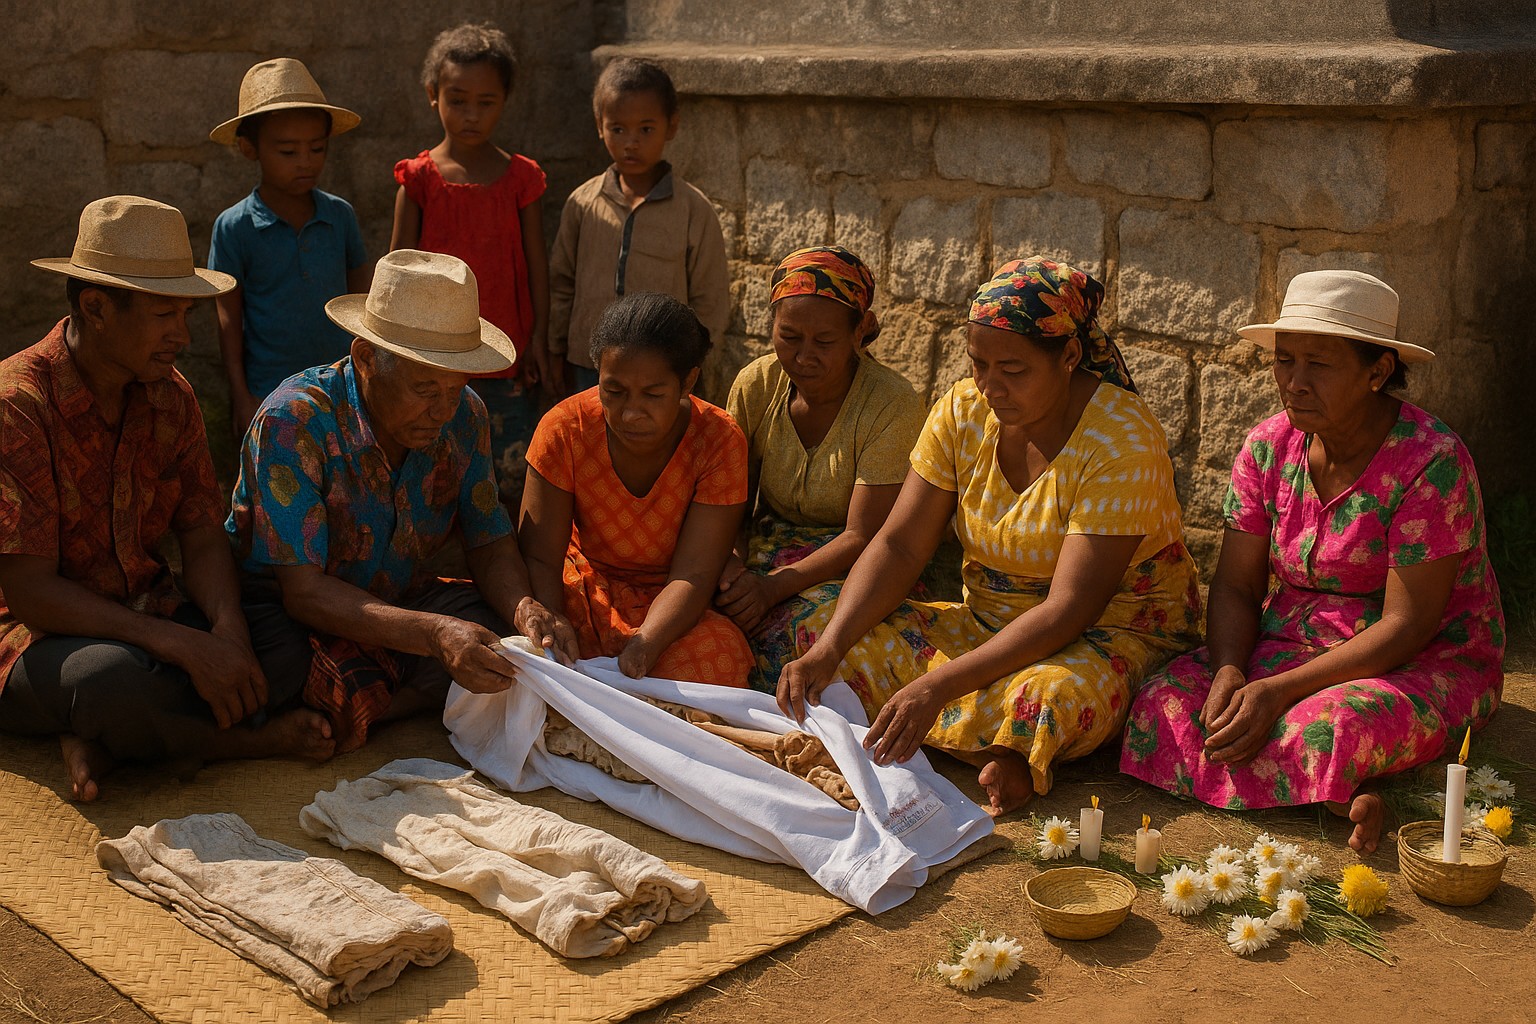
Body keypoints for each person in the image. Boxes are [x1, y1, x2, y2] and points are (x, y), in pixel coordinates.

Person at [778, 257, 1203, 817]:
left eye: (1013, 370)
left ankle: (1008, 747)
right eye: (978, 364)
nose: (989, 385)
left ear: (1069, 357)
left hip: (1105, 631)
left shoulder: (1121, 438)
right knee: (814, 623)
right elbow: (900, 544)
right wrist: (830, 648)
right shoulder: (964, 410)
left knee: (1049, 697)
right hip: (985, 625)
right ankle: (999, 746)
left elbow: (1070, 607)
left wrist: (938, 686)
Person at [1120, 270, 1505, 854]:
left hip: (1418, 657)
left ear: (1377, 372)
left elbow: (1409, 624)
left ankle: (1351, 785)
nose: (1294, 383)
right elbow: (1236, 586)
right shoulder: (1268, 447)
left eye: (1318, 365)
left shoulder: (1433, 462)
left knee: (1337, 726)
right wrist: (1230, 668)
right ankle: (1330, 791)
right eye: (1284, 361)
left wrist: (1278, 691)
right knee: (1163, 702)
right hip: (1289, 641)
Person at [0, 196, 335, 802]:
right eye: (164, 316)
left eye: (185, 314)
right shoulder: (18, 404)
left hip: (147, 612)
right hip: (34, 638)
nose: (182, 335)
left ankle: (110, 741)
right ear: (97, 308)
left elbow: (203, 534)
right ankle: (236, 741)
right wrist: (182, 645)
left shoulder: (171, 395)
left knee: (282, 648)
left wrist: (226, 629)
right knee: (108, 682)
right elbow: (30, 593)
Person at [228, 250, 574, 754]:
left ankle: (372, 704)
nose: (443, 409)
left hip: (395, 602)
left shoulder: (465, 417)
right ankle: (393, 694)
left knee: (511, 645)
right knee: (277, 665)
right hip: (289, 609)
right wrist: (434, 636)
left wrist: (525, 608)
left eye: (456, 389)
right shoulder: (294, 419)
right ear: (366, 358)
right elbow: (302, 593)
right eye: (425, 389)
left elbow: (489, 537)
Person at [717, 246, 926, 692]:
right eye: (789, 336)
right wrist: (731, 571)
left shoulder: (891, 404)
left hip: (858, 565)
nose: (804, 356)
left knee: (805, 638)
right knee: (700, 607)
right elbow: (730, 504)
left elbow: (864, 535)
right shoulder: (756, 385)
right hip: (765, 551)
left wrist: (770, 590)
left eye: (824, 342)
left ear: (860, 333)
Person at [519, 292, 753, 685]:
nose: (630, 412)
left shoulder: (719, 439)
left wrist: (647, 645)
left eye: (653, 395)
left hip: (670, 603)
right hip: (581, 588)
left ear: (687, 383)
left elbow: (694, 575)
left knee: (719, 658)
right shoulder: (564, 428)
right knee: (527, 654)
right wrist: (553, 623)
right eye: (614, 392)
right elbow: (541, 558)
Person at [391, 22, 551, 500]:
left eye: (487, 102)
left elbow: (535, 264)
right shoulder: (418, 179)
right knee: (431, 473)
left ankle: (502, 560)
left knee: (504, 478)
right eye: (458, 100)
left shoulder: (522, 179)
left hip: (505, 356)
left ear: (506, 100)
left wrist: (540, 337)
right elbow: (396, 270)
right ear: (432, 95)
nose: (471, 115)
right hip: (432, 355)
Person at [548, 57, 729, 396]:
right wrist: (556, 349)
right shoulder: (582, 204)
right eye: (618, 129)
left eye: (646, 129)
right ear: (599, 125)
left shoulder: (692, 209)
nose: (631, 142)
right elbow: (562, 283)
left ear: (671, 126)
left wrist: (690, 364)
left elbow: (710, 300)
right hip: (588, 368)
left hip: (661, 374)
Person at [209, 57, 371, 435]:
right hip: (271, 393)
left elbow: (364, 302)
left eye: (317, 149)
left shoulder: (339, 216)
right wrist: (241, 394)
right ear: (250, 149)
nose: (305, 162)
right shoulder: (235, 227)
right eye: (288, 152)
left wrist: (369, 378)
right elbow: (228, 320)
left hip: (342, 386)